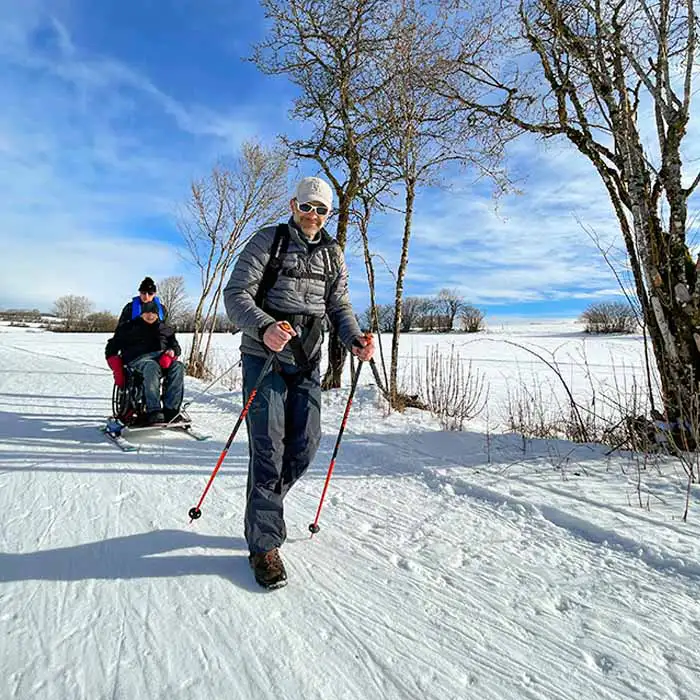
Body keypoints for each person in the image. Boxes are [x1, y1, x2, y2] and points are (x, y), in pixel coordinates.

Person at [223, 175, 374, 590]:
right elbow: (236, 295)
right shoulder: (267, 241)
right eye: (306, 206)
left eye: (321, 210)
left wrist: (354, 339)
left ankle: (263, 507)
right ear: (293, 205)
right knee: (268, 447)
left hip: (307, 359)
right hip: (265, 355)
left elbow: (339, 305)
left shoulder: (333, 254)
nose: (312, 216)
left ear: (329, 214)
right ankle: (264, 544)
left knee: (305, 443)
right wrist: (265, 326)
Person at [105, 300, 185, 425]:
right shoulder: (129, 327)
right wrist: (114, 363)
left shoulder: (166, 329)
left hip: (161, 358)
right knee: (151, 366)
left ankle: (171, 410)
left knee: (178, 367)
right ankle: (153, 410)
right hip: (138, 359)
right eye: (147, 312)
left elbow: (176, 347)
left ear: (158, 314)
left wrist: (172, 351)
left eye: (153, 312)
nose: (150, 315)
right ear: (141, 313)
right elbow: (112, 345)